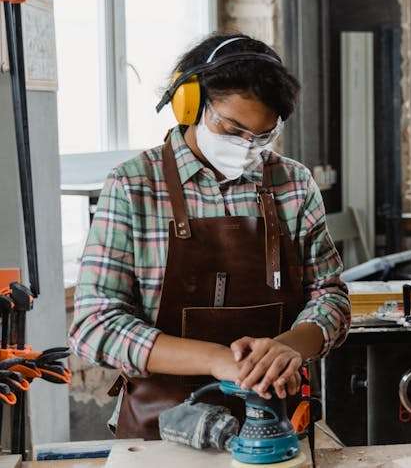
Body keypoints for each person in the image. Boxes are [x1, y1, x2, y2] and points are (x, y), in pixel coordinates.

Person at [69, 33, 351, 439]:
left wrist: (292, 345)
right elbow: (94, 324)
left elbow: (330, 296)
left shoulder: (292, 183)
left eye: (261, 136)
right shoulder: (134, 186)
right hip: (161, 427)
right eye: (231, 128)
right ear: (191, 102)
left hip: (276, 423)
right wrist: (217, 360)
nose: (244, 146)